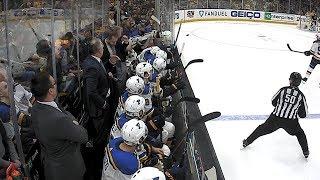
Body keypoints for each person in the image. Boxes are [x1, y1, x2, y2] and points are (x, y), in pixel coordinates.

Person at [30, 71, 88, 180]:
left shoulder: (36, 108)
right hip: (68, 171)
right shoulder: (59, 120)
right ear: (51, 91)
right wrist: (73, 122)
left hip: (52, 167)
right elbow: (84, 136)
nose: (57, 84)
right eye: (54, 83)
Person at [242, 72, 309, 158]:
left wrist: (281, 106)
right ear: (299, 82)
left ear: (290, 80)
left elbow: (273, 101)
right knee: (300, 134)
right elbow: (304, 114)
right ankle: (306, 152)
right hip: (291, 122)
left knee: (261, 129)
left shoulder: (283, 90)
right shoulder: (301, 96)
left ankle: (247, 142)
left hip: (275, 118)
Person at [82, 38, 115, 180]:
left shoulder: (95, 61)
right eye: (102, 47)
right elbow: (91, 91)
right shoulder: (91, 66)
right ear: (99, 50)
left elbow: (98, 77)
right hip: (98, 110)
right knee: (99, 136)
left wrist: (108, 70)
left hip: (102, 105)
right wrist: (103, 104)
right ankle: (99, 163)